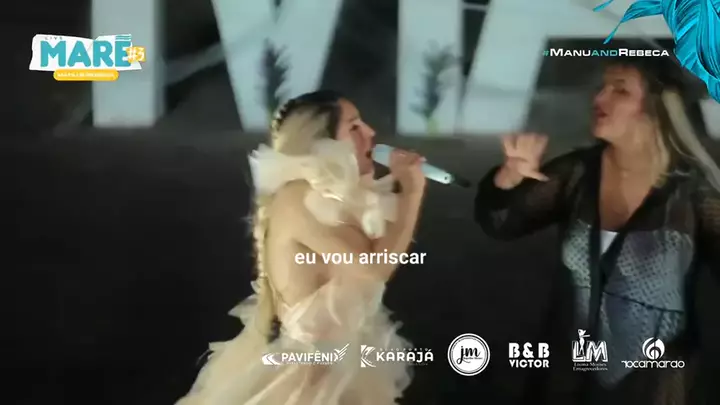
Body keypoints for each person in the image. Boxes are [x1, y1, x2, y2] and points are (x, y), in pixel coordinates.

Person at [474, 56, 720, 405]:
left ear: (657, 107)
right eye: (602, 88)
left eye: (620, 90)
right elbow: (501, 224)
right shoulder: (578, 173)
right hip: (568, 378)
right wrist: (507, 180)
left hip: (656, 386)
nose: (599, 98)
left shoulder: (694, 192)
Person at [175, 90, 426, 405]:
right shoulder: (296, 198)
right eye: (353, 127)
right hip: (309, 383)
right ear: (321, 142)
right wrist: (412, 194)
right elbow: (373, 269)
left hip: (345, 367)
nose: (370, 133)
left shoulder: (338, 199)